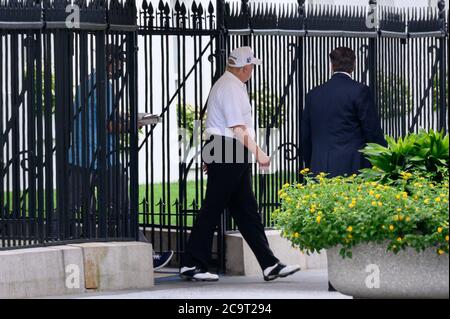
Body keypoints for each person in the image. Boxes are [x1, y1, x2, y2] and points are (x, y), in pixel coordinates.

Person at [179, 46, 301, 282]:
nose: (253, 70)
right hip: (229, 149)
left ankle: (269, 264)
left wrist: (212, 155)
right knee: (215, 207)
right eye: (252, 66)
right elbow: (237, 128)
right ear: (245, 68)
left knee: (246, 212)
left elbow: (218, 123)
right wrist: (260, 153)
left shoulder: (228, 85)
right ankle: (192, 264)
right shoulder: (231, 88)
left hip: (225, 150)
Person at [301, 47, 386, 291]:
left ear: (331, 65)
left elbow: (305, 136)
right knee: (352, 222)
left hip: (321, 167)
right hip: (353, 167)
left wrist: (309, 164)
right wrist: (382, 160)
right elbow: (372, 131)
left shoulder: (313, 95)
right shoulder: (360, 91)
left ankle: (333, 278)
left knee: (330, 223)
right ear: (353, 65)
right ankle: (349, 277)